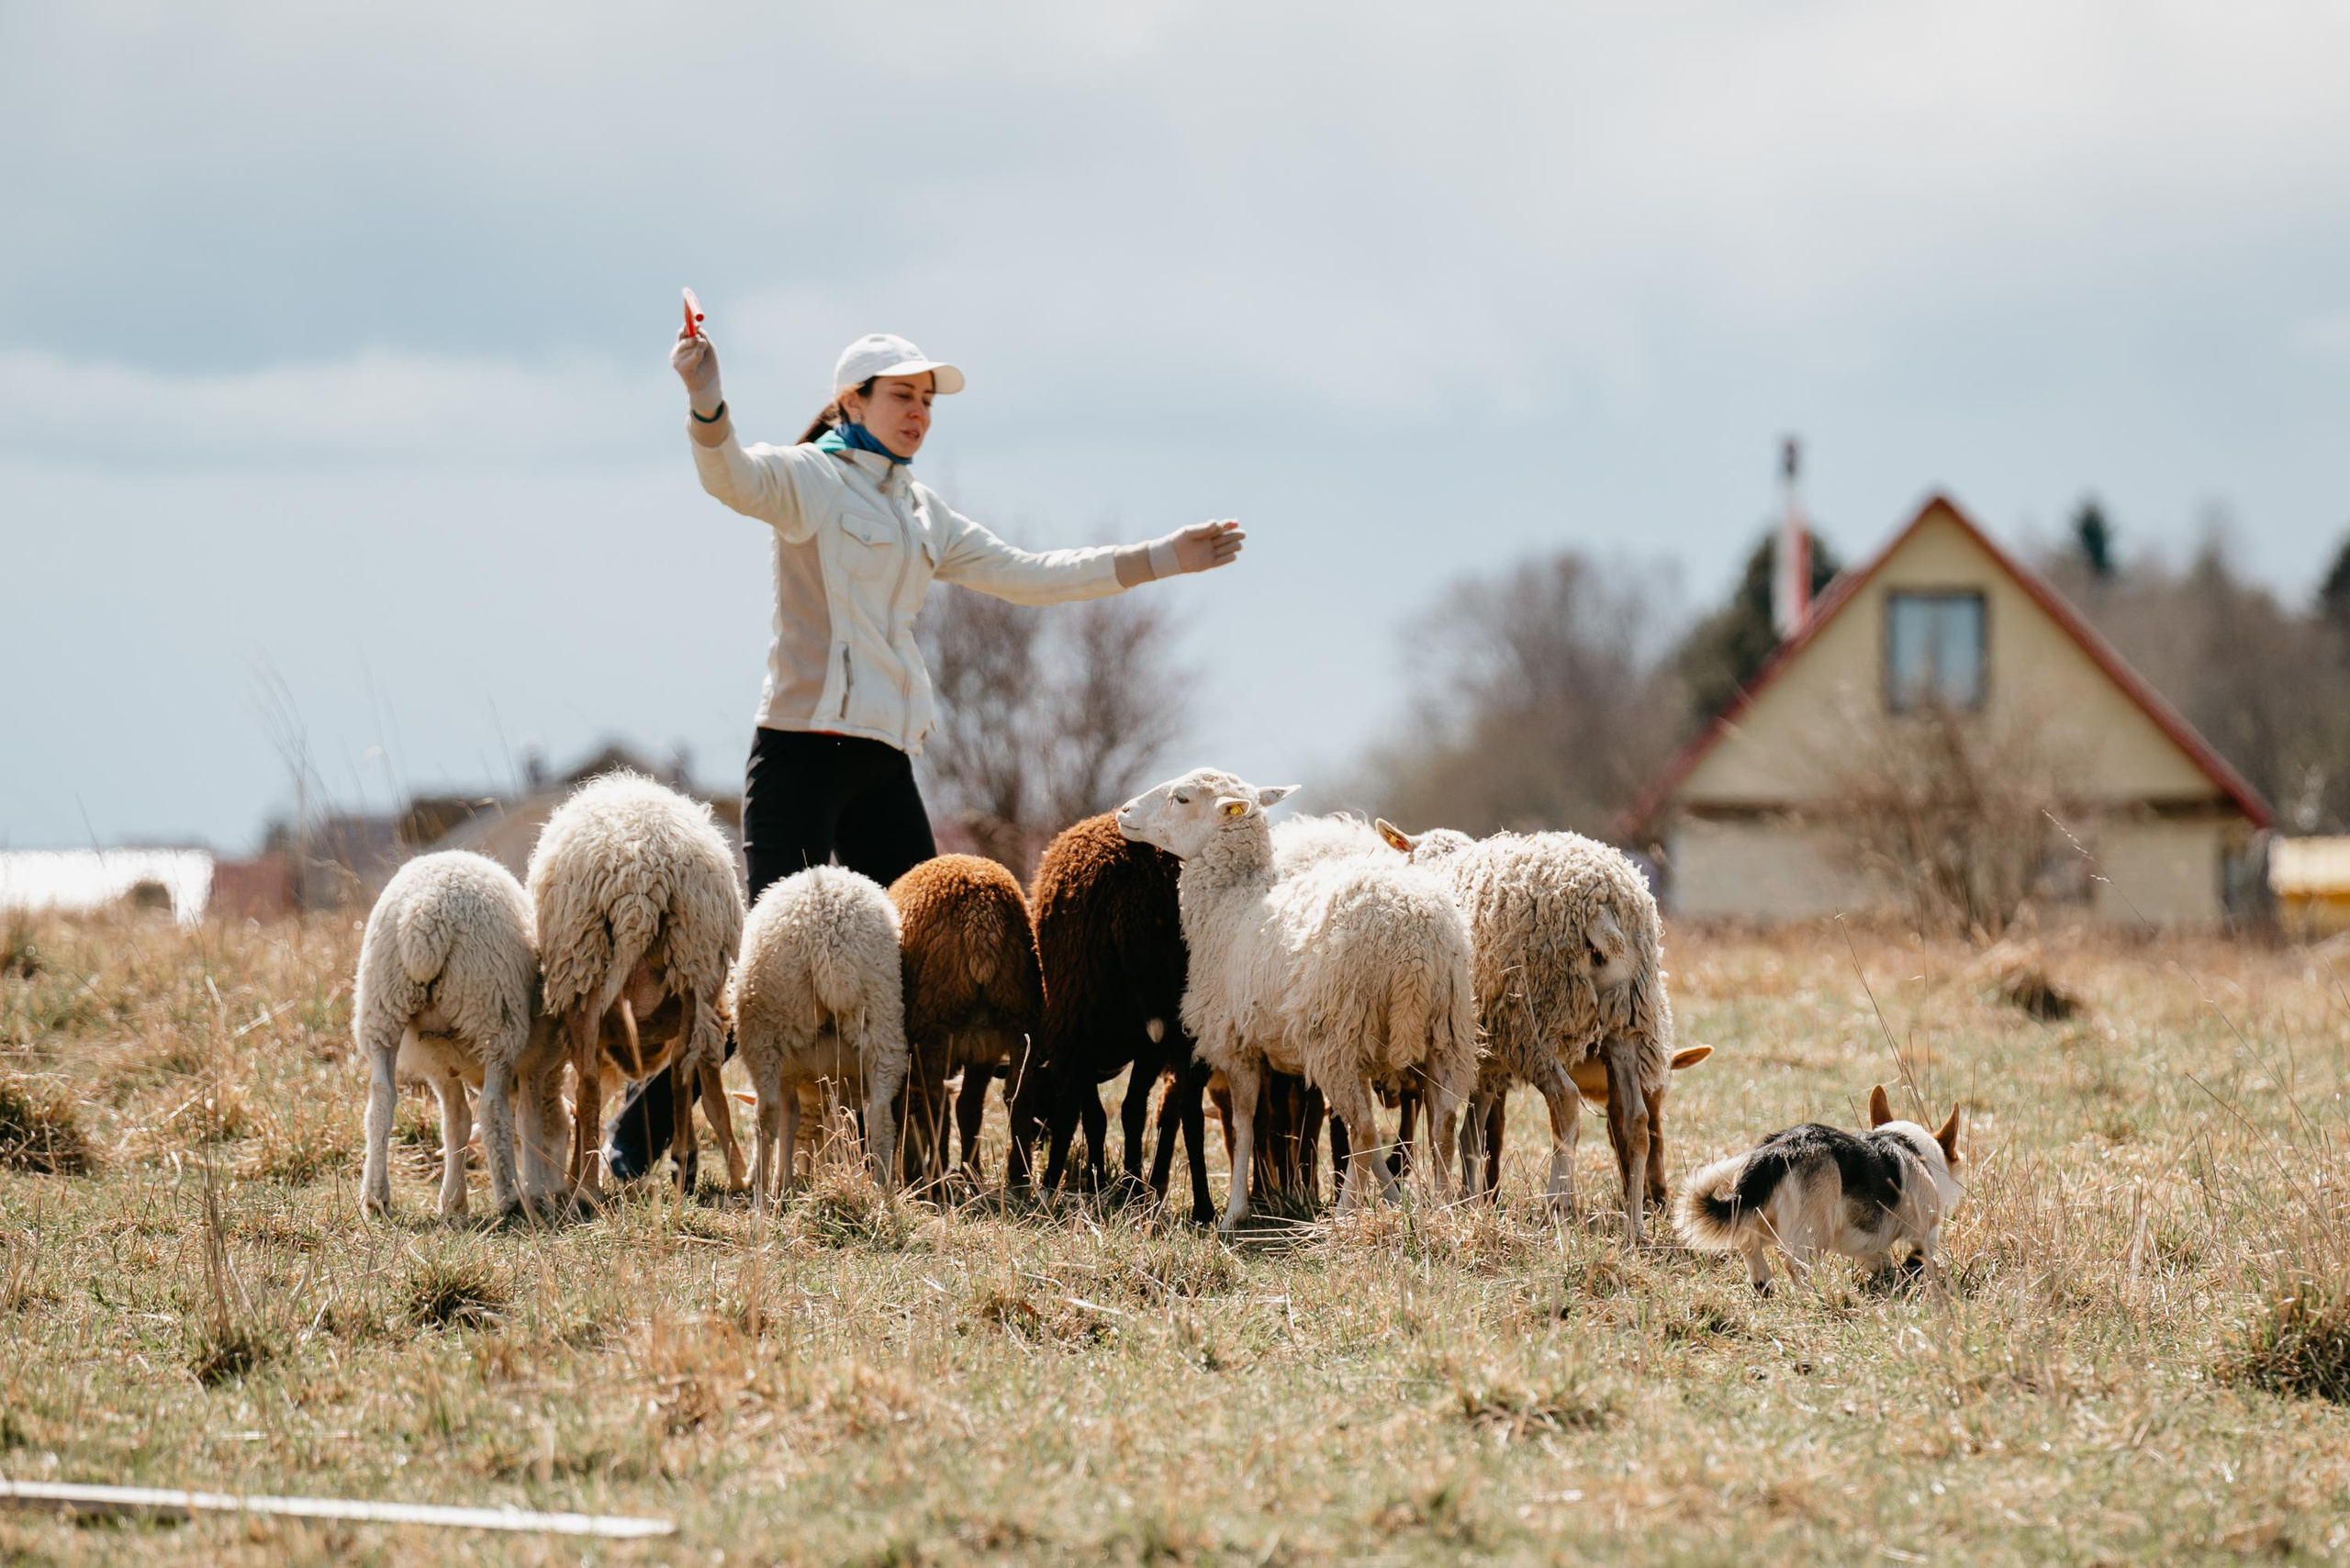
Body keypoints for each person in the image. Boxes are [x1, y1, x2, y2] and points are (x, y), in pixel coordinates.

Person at [604, 322, 1245, 1180]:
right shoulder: (811, 483)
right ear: (852, 402)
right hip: (798, 756)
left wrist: (1162, 558)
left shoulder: (918, 511)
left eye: (927, 401)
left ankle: (905, 1163)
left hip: (882, 766)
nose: (919, 413)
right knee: (764, 973)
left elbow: (1031, 573)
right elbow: (731, 476)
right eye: (902, 396)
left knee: (916, 974)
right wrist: (706, 397)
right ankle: (640, 1133)